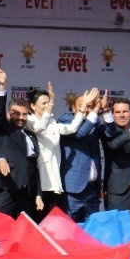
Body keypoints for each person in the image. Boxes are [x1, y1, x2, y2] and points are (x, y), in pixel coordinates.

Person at [26, 83, 93, 220]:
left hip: (54, 181)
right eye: (43, 103)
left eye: (48, 102)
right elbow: (39, 127)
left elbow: (72, 128)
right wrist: (51, 104)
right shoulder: (28, 121)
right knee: (38, 221)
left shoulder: (51, 122)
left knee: (52, 223)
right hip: (38, 181)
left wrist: (83, 107)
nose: (46, 106)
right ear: (33, 106)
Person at [0, 65, 42, 218]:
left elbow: (33, 167)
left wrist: (37, 193)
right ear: (9, 114)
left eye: (24, 114)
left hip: (25, 193)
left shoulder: (31, 136)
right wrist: (2, 85)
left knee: (22, 233)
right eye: (17, 114)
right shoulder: (3, 128)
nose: (21, 117)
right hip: (4, 188)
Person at [57, 89, 105, 222]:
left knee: (91, 230)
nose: (86, 110)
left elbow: (110, 135)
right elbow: (79, 133)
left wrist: (105, 111)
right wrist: (95, 112)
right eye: (83, 106)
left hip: (92, 189)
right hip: (73, 189)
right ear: (73, 107)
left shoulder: (95, 121)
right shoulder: (65, 119)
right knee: (69, 228)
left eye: (90, 107)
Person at [101, 97, 130, 214]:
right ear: (113, 115)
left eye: (125, 111)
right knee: (119, 230)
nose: (121, 115)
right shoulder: (108, 132)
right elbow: (113, 145)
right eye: (117, 112)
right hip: (119, 194)